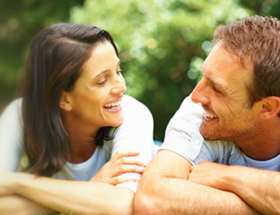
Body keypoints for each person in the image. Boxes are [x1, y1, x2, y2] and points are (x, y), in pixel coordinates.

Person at [0, 23, 156, 214]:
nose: (121, 87)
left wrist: (18, 182)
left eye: (118, 71)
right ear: (63, 98)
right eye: (102, 81)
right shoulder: (20, 115)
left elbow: (121, 205)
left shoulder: (133, 114)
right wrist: (92, 190)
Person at [134, 15, 280, 215]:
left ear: (267, 107)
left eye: (218, 89)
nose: (196, 96)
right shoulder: (201, 113)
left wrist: (230, 176)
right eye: (204, 77)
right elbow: (153, 199)